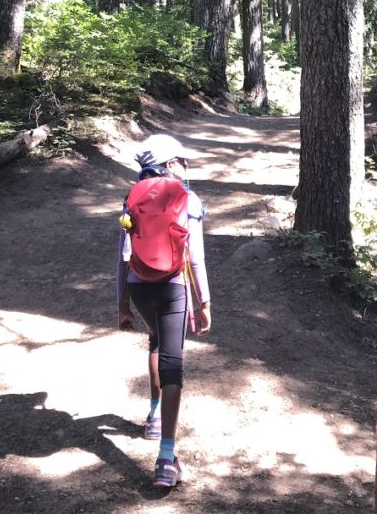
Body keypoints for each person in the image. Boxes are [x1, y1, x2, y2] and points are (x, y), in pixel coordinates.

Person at [116, 133, 211, 488]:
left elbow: (122, 258)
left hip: (140, 286)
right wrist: (204, 303)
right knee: (173, 359)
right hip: (173, 286)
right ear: (170, 164)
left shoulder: (132, 198)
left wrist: (122, 306)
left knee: (154, 339)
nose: (186, 167)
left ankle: (154, 417)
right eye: (182, 161)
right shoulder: (188, 198)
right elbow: (196, 258)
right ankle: (166, 458)